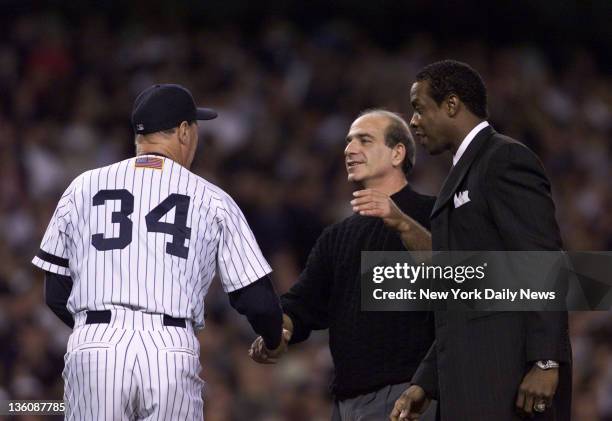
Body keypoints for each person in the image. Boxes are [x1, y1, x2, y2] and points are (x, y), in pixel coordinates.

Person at [32, 84, 286, 420]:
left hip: (95, 343)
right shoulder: (211, 199)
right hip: (168, 347)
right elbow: (256, 299)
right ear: (183, 131)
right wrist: (272, 340)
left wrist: (96, 329)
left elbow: (55, 293)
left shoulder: (82, 186)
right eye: (195, 127)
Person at [383, 60, 571, 420]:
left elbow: (541, 258)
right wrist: (426, 381)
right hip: (473, 384)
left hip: (509, 381)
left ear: (452, 105)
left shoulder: (504, 159)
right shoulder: (462, 174)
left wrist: (546, 360)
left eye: (420, 109)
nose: (414, 122)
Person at [250, 110, 436, 421]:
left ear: (397, 152)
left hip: (410, 395)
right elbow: (300, 305)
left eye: (364, 140)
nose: (350, 149)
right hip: (346, 401)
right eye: (348, 141)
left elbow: (460, 279)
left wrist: (403, 224)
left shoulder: (432, 212)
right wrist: (278, 332)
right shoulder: (337, 235)